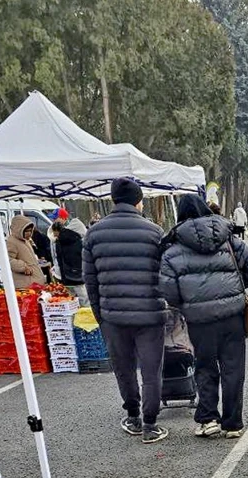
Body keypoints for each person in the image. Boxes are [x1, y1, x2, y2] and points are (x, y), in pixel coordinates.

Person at [160, 195, 248, 438]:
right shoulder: (229, 238)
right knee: (233, 368)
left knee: (205, 367)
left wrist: (186, 303)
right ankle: (233, 424)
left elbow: (167, 289)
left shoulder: (172, 249)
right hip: (232, 316)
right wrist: (236, 289)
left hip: (199, 320)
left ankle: (208, 420)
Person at [82, 178, 168, 444]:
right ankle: (150, 424)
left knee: (124, 368)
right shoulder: (155, 232)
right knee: (151, 371)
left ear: (113, 200)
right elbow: (165, 275)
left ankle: (132, 416)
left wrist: (100, 314)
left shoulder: (93, 234)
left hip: (113, 315)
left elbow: (90, 282)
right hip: (150, 314)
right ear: (138, 201)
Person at [51, 217, 89, 306]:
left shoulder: (58, 241)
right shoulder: (77, 238)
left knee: (70, 301)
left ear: (56, 231)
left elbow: (59, 259)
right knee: (84, 299)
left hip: (66, 274)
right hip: (78, 272)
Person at [6, 215, 46, 289]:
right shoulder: (11, 241)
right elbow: (8, 260)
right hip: (25, 284)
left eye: (31, 231)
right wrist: (23, 267)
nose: (29, 233)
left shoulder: (25, 240)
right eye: (27, 231)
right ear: (18, 229)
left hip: (34, 282)